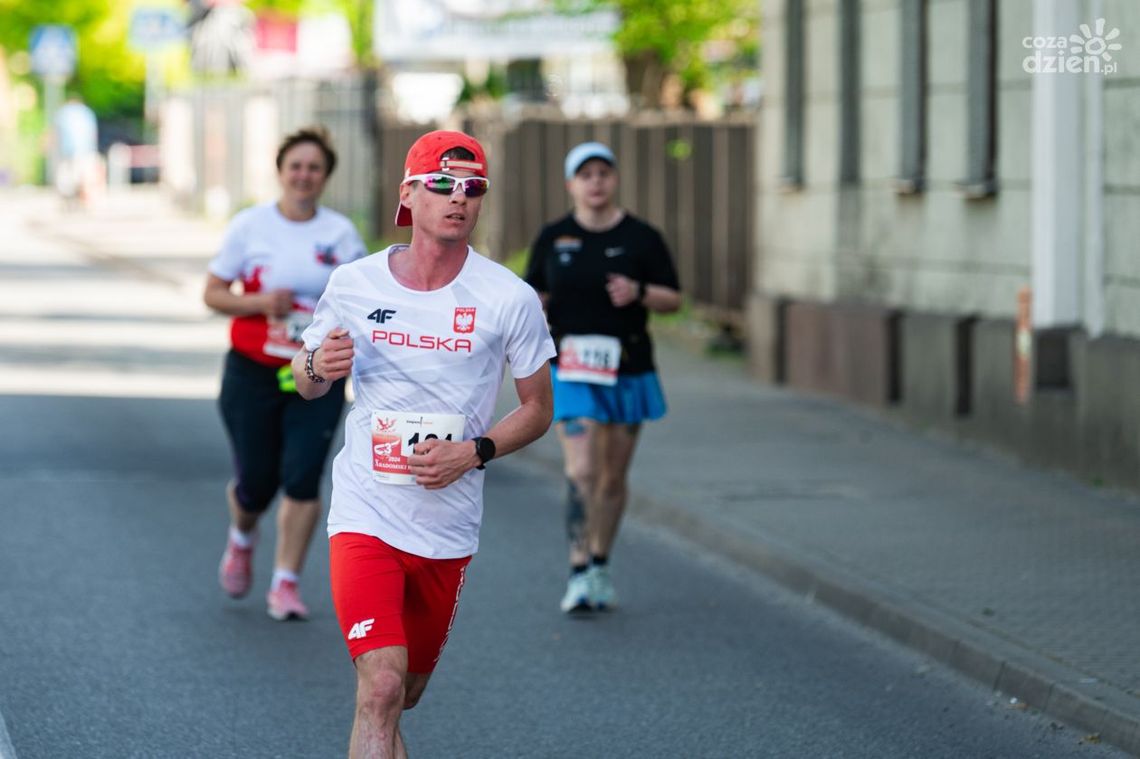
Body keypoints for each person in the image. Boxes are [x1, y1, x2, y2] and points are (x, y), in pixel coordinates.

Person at [292, 130, 554, 758]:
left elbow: (539, 409)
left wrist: (476, 451)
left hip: (447, 524)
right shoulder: (355, 283)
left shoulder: (507, 298)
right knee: (379, 688)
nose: (457, 199)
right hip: (366, 510)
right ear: (409, 193)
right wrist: (318, 366)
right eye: (441, 185)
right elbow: (304, 381)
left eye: (472, 189)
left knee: (404, 692)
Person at [204, 126, 367, 621]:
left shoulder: (341, 235)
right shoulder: (250, 226)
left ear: (325, 177)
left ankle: (286, 583)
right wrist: (258, 301)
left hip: (315, 376)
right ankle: (242, 534)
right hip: (253, 371)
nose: (304, 175)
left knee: (301, 477)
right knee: (256, 481)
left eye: (314, 168)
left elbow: (364, 303)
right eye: (296, 165)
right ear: (280, 171)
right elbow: (212, 293)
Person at [524, 141, 682, 614]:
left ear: (614, 180)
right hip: (571, 369)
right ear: (571, 184)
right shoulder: (554, 237)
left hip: (628, 369)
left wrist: (638, 292)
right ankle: (576, 570)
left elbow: (673, 298)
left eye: (603, 173)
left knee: (612, 479)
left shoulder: (642, 237)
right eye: (585, 174)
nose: (595, 182)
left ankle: (600, 564)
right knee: (582, 471)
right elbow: (533, 292)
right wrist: (537, 308)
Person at [53, 95, 99, 207]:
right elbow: (93, 133)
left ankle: (67, 200)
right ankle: (85, 201)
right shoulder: (87, 112)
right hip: (85, 150)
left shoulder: (63, 113)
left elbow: (56, 132)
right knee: (84, 177)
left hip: (66, 150)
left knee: (65, 177)